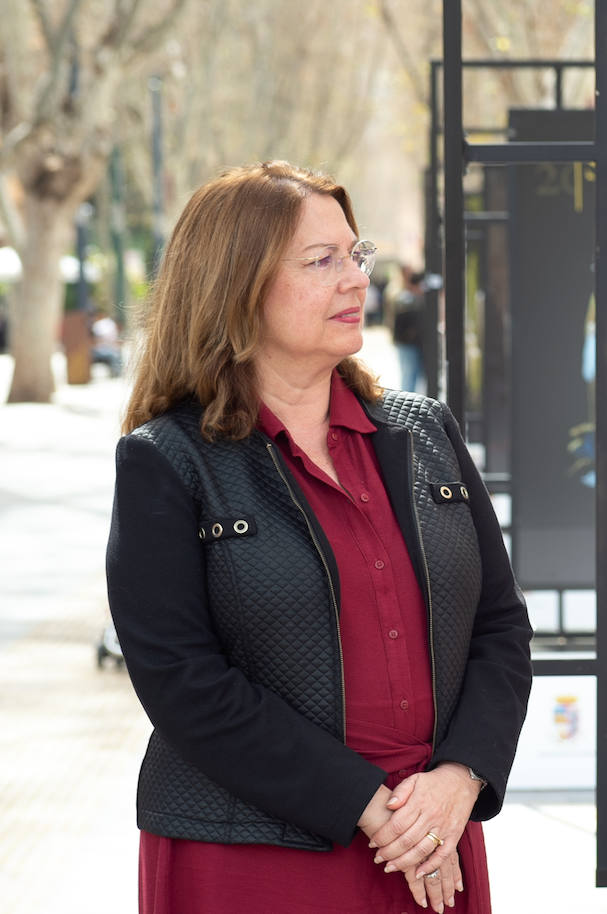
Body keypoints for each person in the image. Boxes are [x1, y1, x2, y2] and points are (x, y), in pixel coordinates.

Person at [107, 161, 533, 914]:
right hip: (251, 855)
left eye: (355, 254)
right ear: (237, 287)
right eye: (321, 260)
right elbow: (181, 680)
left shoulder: (425, 432)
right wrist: (368, 806)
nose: (356, 279)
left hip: (432, 836)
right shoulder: (167, 460)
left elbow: (500, 627)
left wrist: (460, 778)